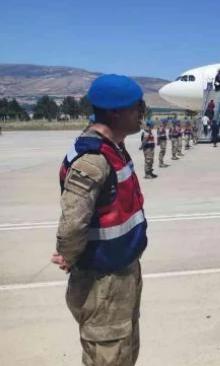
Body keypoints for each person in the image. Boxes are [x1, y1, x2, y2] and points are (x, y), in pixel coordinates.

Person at [53, 74, 148, 366]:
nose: (142, 113)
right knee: (108, 356)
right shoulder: (93, 160)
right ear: (115, 112)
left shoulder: (114, 147)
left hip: (121, 272)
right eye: (137, 107)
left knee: (124, 352)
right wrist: (70, 255)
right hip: (102, 282)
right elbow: (72, 223)